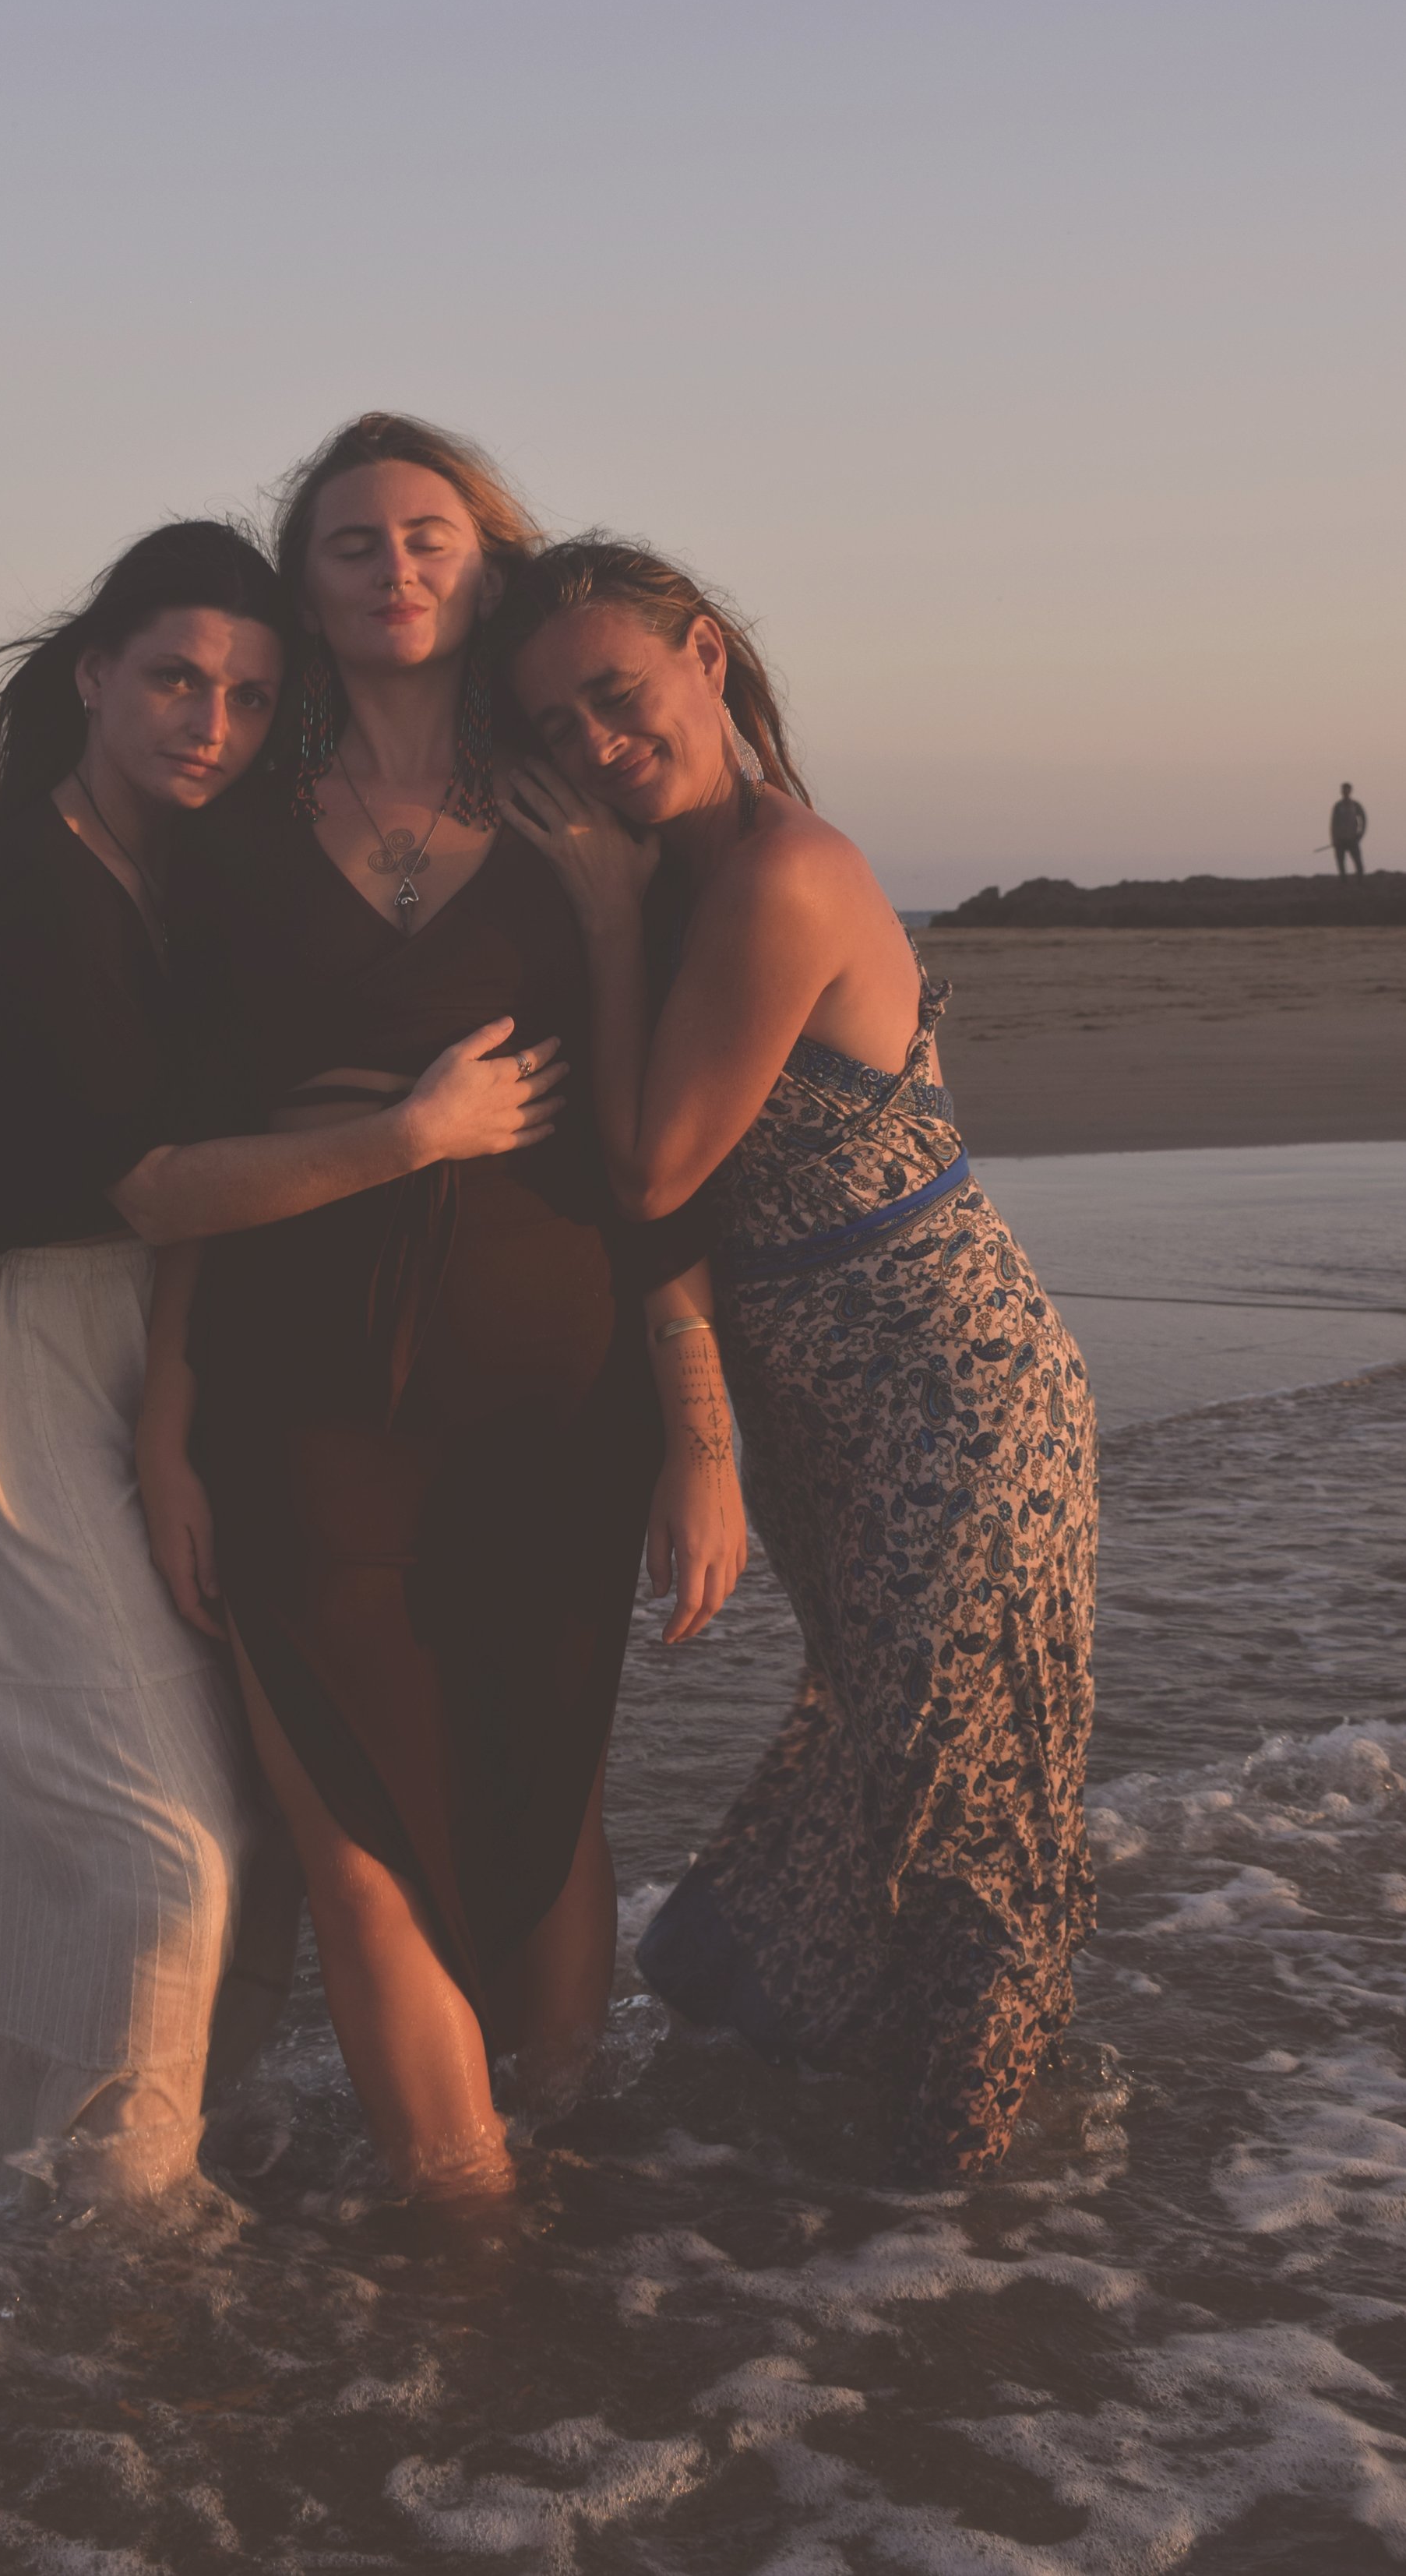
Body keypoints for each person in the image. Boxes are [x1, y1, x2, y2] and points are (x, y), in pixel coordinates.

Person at [0, 519, 567, 2204]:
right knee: (149, 1846)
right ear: (92, 673)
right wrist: (416, 1136)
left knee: (240, 1813)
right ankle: (90, 2243)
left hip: (169, 1324)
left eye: (251, 698)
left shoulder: (176, 869)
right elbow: (161, 1177)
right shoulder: (37, 890)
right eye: (176, 679)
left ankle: (152, 2170)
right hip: (26, 1345)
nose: (210, 722)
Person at [137, 422, 742, 2203]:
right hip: (292, 1386)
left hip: (552, 1390)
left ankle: (574, 2215)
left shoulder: (588, 824)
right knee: (352, 1842)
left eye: (430, 537)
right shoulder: (231, 843)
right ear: (303, 589)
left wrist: (700, 1435)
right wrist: (164, 1418)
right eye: (350, 545)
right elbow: (185, 1151)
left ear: (484, 568)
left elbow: (653, 1157)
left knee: (543, 1814)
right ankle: (467, 2257)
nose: (394, 569)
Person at [495, 537, 1098, 2184]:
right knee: (899, 1787)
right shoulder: (689, 871)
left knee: (961, 1822)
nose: (596, 745)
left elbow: (648, 1170)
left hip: (953, 1403)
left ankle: (950, 2260)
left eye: (615, 698)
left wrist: (611, 931)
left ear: (703, 654)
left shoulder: (769, 873)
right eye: (554, 729)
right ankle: (937, 2188)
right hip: (833, 1434)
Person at [1331, 783, 1367, 879]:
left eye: (1347, 790)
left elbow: (1363, 820)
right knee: (1341, 862)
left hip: (1352, 839)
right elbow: (1333, 824)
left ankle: (1361, 881)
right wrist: (1334, 839)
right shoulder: (1338, 806)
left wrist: (1360, 834)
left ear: (1350, 791)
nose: (1345, 792)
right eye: (1343, 790)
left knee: (1358, 862)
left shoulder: (1355, 805)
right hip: (1340, 840)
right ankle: (1343, 881)